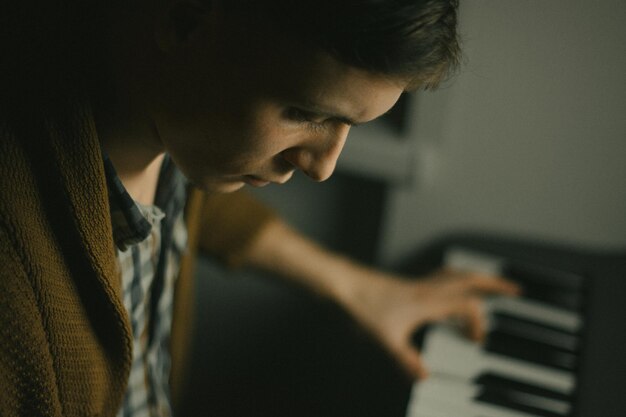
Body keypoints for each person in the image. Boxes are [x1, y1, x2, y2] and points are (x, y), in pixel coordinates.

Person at [0, 0, 518, 416]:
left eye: (349, 127)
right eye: (304, 112)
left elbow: (199, 213)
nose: (322, 167)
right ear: (184, 22)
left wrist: (359, 289)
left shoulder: (176, 134)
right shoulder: (14, 291)